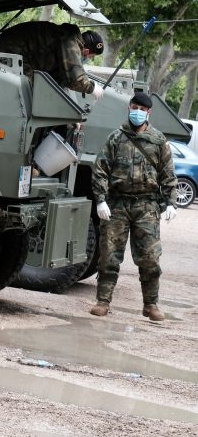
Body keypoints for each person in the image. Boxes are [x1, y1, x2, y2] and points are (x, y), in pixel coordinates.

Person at [90, 91, 177, 322]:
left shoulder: (158, 141)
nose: (137, 112)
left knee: (150, 258)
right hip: (117, 204)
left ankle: (151, 305)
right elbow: (100, 170)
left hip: (147, 206)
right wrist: (100, 199)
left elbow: (168, 174)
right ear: (129, 107)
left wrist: (171, 202)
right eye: (134, 107)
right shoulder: (115, 138)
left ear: (149, 112)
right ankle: (103, 302)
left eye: (142, 109)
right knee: (109, 255)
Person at [0, 21, 105, 97]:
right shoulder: (70, 41)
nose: (89, 58)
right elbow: (75, 78)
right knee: (26, 96)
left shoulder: (66, 38)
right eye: (91, 56)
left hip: (18, 54)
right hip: (10, 51)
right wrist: (92, 89)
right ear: (86, 51)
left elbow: (60, 81)